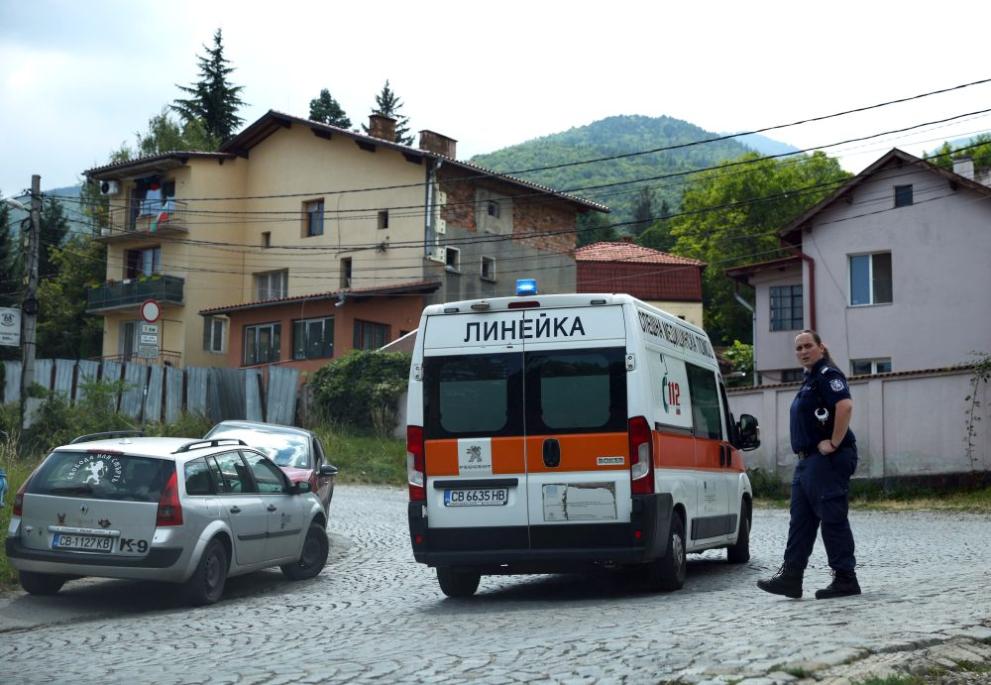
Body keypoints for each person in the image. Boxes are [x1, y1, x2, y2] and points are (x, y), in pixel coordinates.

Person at [757, 329, 861, 600]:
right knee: (800, 521)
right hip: (807, 462)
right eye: (798, 348)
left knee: (832, 518)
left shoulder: (828, 374)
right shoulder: (810, 379)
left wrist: (835, 442)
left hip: (827, 460)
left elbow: (845, 406)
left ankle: (845, 579)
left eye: (807, 346)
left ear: (821, 347)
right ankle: (791, 578)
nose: (803, 351)